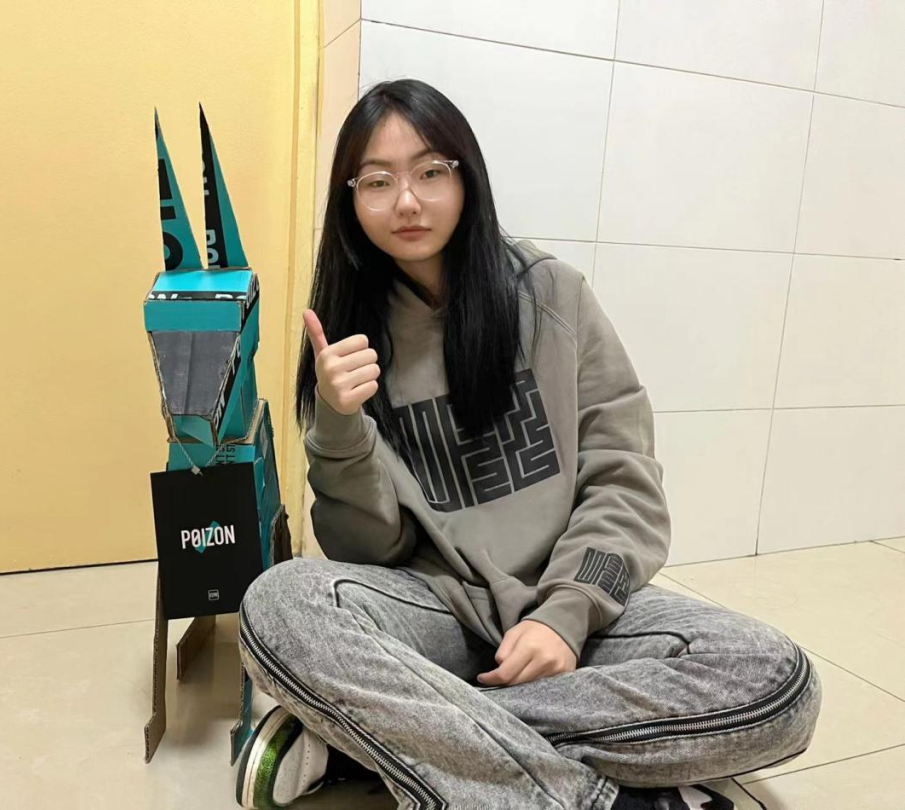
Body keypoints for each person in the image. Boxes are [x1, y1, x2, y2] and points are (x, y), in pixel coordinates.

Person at [234, 78, 821, 810]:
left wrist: (565, 613)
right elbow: (369, 552)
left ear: (466, 178)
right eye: (377, 182)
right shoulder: (348, 338)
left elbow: (624, 479)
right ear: (349, 200)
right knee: (279, 604)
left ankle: (377, 737)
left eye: (430, 172)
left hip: (567, 598)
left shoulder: (552, 295)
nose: (407, 201)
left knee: (777, 680)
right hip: (434, 614)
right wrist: (338, 423)